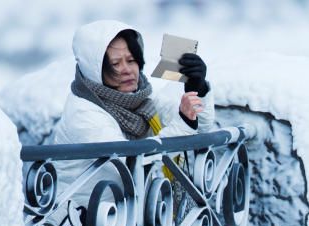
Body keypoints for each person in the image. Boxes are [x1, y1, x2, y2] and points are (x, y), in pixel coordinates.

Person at [53, 19, 214, 147]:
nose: (127, 70)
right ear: (94, 71)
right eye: (116, 64)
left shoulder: (140, 98)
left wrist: (197, 88)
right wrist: (184, 123)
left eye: (131, 60)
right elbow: (131, 169)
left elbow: (199, 130)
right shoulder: (84, 113)